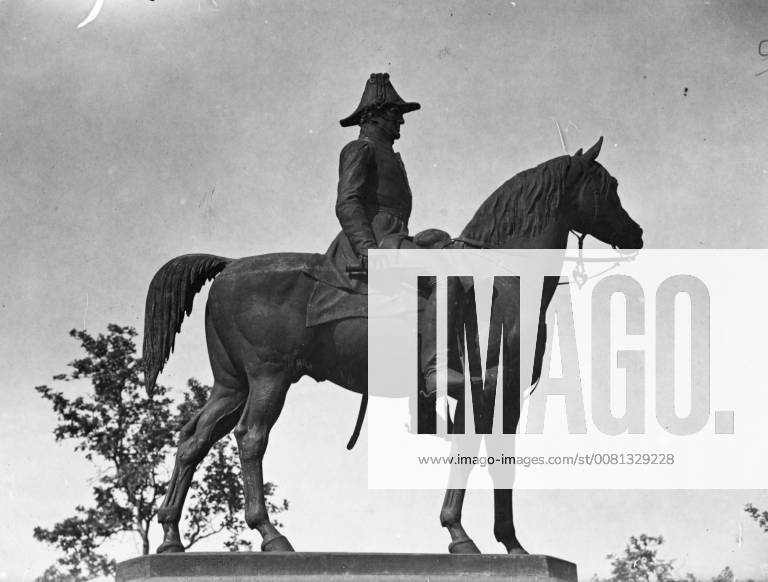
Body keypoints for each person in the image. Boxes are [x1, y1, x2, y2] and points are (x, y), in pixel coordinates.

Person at [326, 72, 419, 288]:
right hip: (375, 243)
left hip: (394, 241)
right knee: (443, 273)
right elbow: (347, 202)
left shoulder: (390, 156)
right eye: (395, 112)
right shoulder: (361, 149)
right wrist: (367, 249)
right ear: (374, 115)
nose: (401, 120)